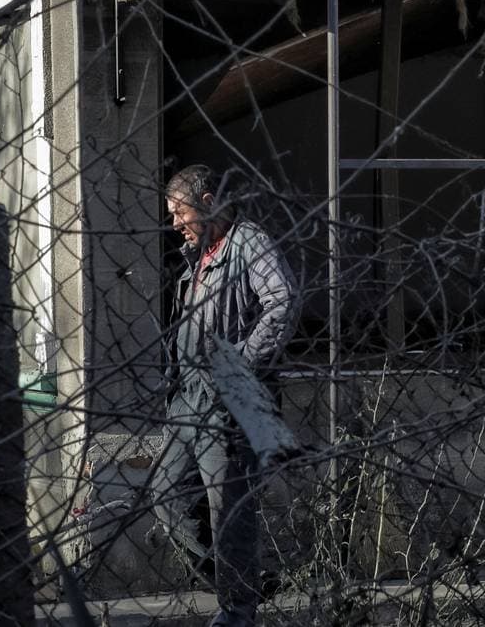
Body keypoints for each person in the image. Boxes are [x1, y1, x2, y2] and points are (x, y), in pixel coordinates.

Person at [152, 164, 295, 627]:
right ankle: (243, 582)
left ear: (209, 202)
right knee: (167, 493)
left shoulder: (247, 241)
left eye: (180, 211)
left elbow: (283, 300)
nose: (174, 222)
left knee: (226, 505)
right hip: (187, 396)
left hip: (228, 400)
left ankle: (237, 608)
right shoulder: (197, 256)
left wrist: (239, 368)